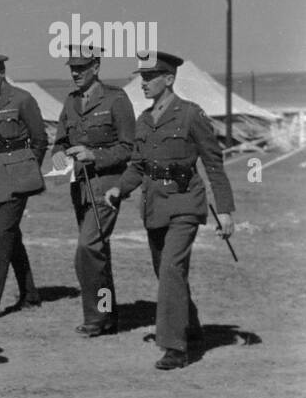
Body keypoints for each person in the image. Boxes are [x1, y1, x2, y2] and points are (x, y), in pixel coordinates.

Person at [105, 51, 234, 370]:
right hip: (154, 206)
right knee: (166, 271)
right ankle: (191, 327)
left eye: (150, 78)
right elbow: (138, 165)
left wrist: (226, 210)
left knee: (171, 270)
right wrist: (120, 188)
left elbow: (213, 164)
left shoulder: (191, 115)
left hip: (186, 203)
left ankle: (174, 346)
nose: (143, 83)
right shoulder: (143, 120)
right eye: (142, 77)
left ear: (169, 79)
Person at [53, 45, 136, 336]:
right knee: (99, 252)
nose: (75, 73)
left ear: (96, 67)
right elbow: (61, 141)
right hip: (81, 187)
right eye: (72, 68)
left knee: (88, 249)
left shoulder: (116, 99)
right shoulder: (70, 102)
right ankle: (108, 316)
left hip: (107, 186)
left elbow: (130, 148)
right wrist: (59, 157)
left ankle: (95, 319)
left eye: (82, 68)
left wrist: (94, 156)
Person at [0, 54, 47, 318]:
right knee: (11, 237)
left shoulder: (22, 99)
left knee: (2, 235)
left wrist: (27, 168)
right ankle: (30, 294)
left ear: (2, 72)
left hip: (19, 175)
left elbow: (40, 139)